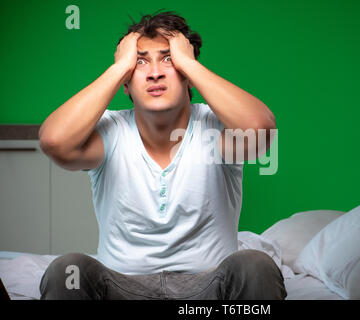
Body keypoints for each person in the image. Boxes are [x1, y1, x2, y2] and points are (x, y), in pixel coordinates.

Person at [38, 11, 285, 300]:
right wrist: (119, 68)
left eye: (168, 59)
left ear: (189, 75)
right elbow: (54, 141)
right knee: (66, 269)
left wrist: (188, 62)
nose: (155, 72)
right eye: (141, 61)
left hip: (207, 291)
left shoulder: (215, 129)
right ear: (126, 84)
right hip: (121, 289)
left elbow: (260, 129)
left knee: (256, 264)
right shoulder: (110, 130)